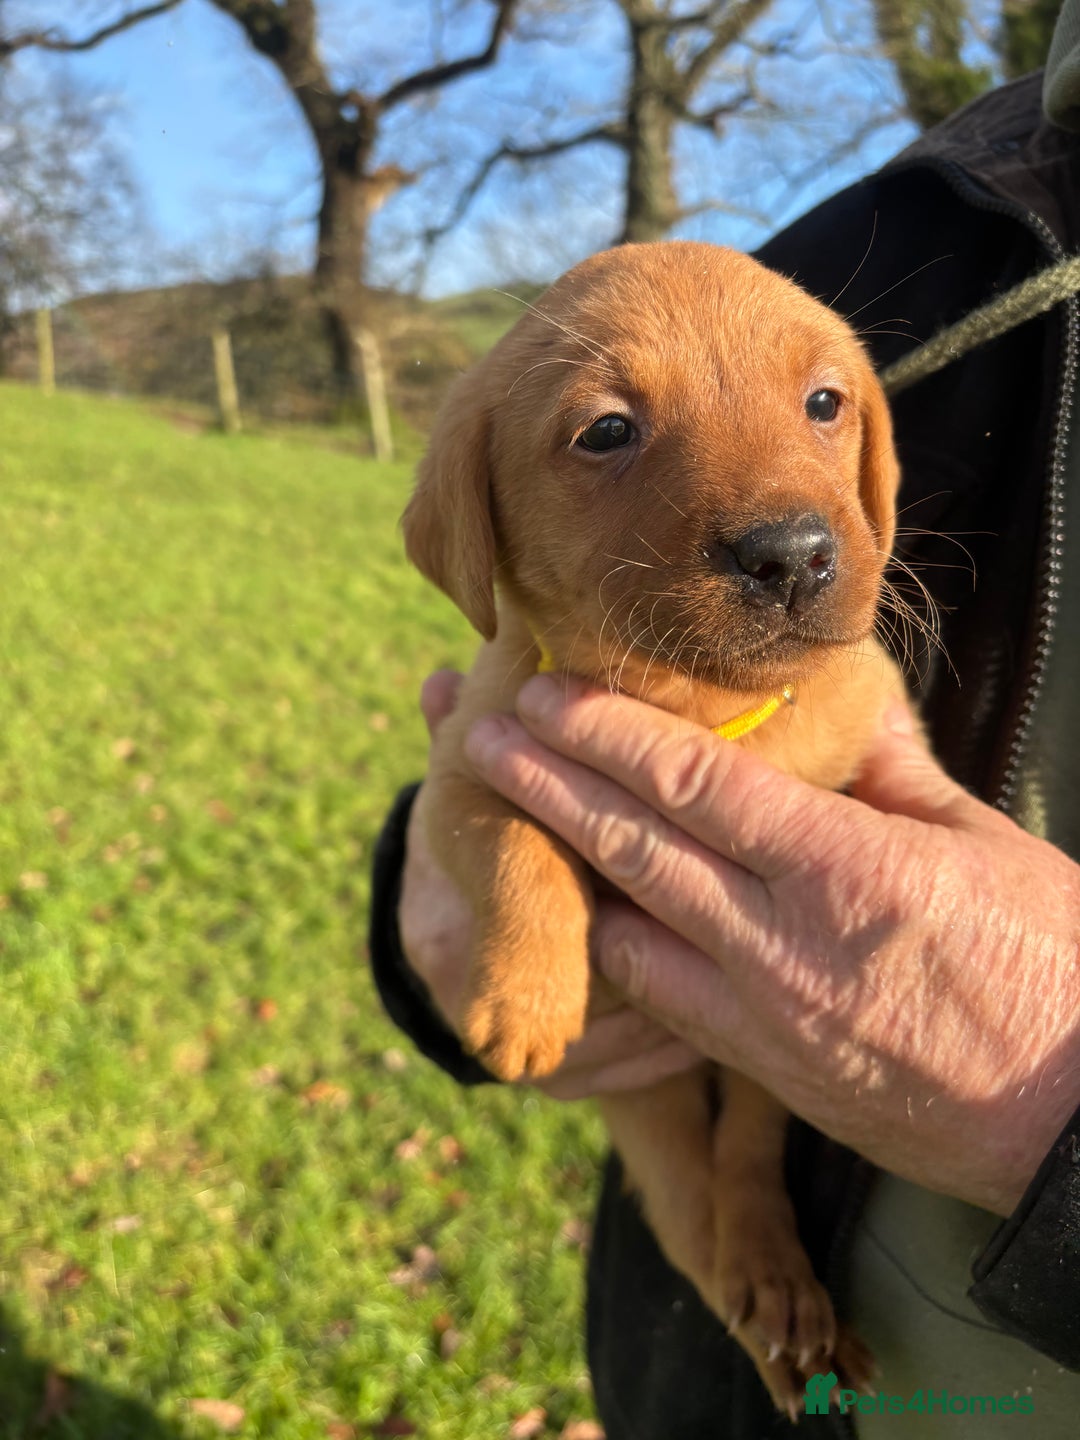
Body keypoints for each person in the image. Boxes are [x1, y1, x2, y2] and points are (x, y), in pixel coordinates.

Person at [370, 17, 1080, 1435]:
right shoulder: (928, 223)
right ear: (475, 536)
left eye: (826, 409)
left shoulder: (847, 695)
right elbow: (468, 791)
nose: (789, 523)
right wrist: (469, 926)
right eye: (608, 433)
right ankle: (742, 1285)